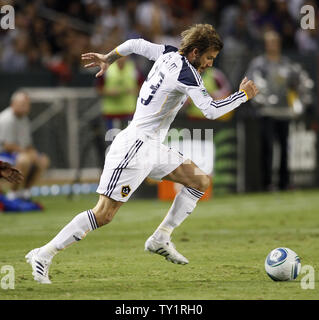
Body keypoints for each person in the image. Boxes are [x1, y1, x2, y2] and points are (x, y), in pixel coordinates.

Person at [26, 24, 258, 284]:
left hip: (153, 146)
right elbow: (212, 110)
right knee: (104, 214)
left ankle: (161, 237)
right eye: (208, 58)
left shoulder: (168, 53)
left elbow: (134, 44)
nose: (208, 64)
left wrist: (109, 57)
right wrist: (243, 96)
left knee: (199, 181)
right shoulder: (188, 74)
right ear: (194, 53)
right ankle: (44, 254)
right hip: (135, 145)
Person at [246, 30, 312, 191]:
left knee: (285, 148)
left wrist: (299, 103)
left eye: (275, 41)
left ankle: (284, 182)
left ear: (279, 44)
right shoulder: (259, 64)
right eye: (269, 42)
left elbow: (301, 83)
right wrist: (260, 102)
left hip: (284, 112)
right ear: (265, 44)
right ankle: (267, 183)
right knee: (267, 148)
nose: (272, 45)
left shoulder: (287, 64)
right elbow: (250, 84)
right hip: (266, 112)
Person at [0, 91, 50, 200]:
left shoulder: (24, 119)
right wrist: (27, 153)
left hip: (17, 153)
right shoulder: (6, 119)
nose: (26, 107)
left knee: (42, 160)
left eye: (27, 104)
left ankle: (25, 192)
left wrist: (34, 154)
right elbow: (6, 146)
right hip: (3, 154)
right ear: (13, 104)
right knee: (24, 160)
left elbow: (27, 144)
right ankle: (12, 193)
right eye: (22, 104)